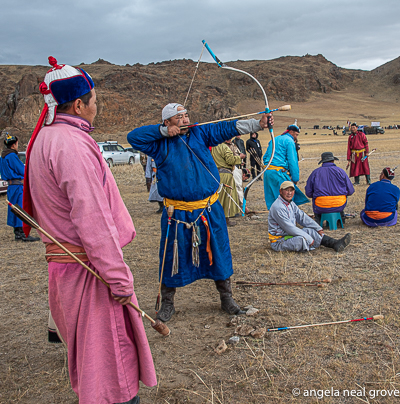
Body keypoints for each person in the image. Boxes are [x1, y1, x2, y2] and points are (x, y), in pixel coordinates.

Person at [23, 57, 156, 404]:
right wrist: (119, 278)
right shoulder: (71, 144)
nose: (97, 106)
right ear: (79, 104)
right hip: (90, 273)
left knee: (96, 365)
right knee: (112, 372)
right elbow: (91, 219)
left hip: (67, 269)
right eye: (94, 100)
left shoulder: (44, 139)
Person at [127, 103, 273, 322]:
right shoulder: (158, 145)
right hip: (177, 213)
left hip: (209, 209)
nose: (186, 120)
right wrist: (163, 132)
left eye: (186, 115)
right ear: (167, 122)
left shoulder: (200, 132)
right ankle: (167, 303)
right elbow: (133, 137)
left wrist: (257, 124)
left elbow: (226, 128)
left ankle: (227, 299)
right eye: (179, 117)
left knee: (220, 252)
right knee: (171, 256)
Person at [268, 181, 351, 252]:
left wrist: (317, 228)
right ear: (280, 191)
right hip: (279, 241)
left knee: (310, 231)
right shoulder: (278, 207)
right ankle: (308, 245)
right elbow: (289, 228)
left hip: (289, 235)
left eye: (291, 190)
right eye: (286, 190)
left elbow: (302, 217)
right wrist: (307, 238)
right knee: (302, 240)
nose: (289, 193)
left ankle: (334, 243)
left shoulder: (290, 203)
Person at [0, 133, 39, 242]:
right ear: (13, 145)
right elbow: (21, 170)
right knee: (20, 208)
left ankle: (17, 233)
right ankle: (22, 234)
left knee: (14, 208)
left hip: (11, 186)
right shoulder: (12, 155)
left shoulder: (3, 156)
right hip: (17, 186)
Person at [262, 124, 309, 209]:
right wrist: (295, 178)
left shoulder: (274, 139)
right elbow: (292, 161)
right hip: (278, 172)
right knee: (286, 197)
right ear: (291, 132)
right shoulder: (289, 141)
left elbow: (265, 157)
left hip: (267, 172)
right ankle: (285, 219)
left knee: (272, 197)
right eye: (296, 135)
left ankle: (274, 219)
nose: (296, 137)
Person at [305, 152, 355, 224]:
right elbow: (351, 190)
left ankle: (318, 220)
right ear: (333, 161)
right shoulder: (340, 171)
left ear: (322, 161)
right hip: (340, 204)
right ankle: (340, 218)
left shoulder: (315, 172)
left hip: (320, 205)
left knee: (316, 199)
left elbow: (308, 193)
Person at [211, 139, 244, 225]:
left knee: (218, 197)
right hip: (225, 176)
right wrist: (239, 157)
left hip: (216, 175)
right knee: (226, 198)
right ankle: (225, 220)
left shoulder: (213, 147)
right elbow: (230, 160)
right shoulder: (224, 147)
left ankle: (218, 219)